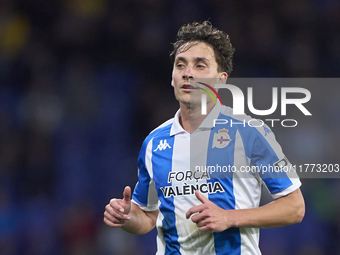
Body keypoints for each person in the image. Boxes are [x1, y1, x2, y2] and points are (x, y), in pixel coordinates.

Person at [103, 21, 305, 254]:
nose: (188, 73)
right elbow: (147, 216)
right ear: (172, 77)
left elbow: (295, 207)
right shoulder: (154, 142)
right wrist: (127, 217)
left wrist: (229, 218)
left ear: (221, 79)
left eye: (200, 66)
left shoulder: (249, 132)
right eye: (181, 65)